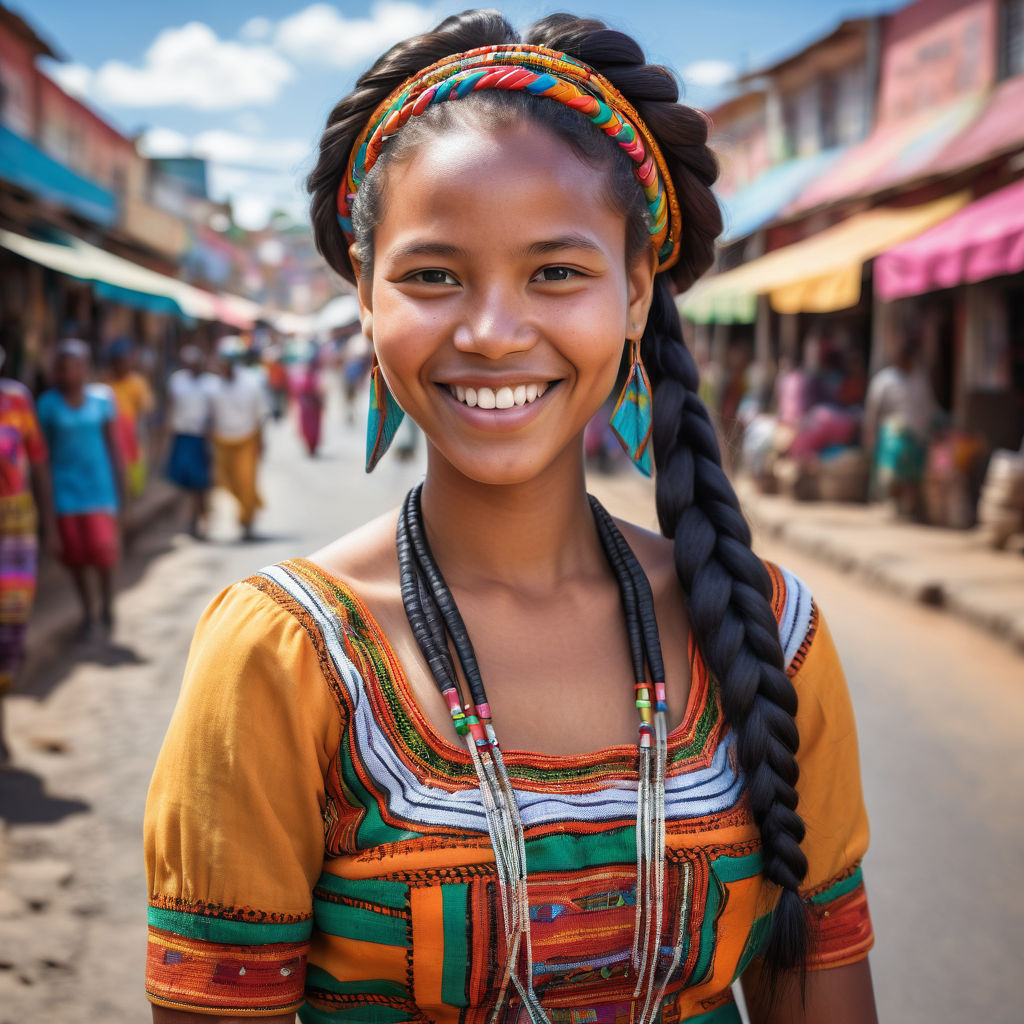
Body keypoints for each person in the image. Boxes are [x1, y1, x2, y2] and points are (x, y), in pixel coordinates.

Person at [145, 13, 877, 1024]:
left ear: (634, 295)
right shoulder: (283, 659)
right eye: (433, 275)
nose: (491, 333)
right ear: (363, 294)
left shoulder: (768, 636)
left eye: (557, 272)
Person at [37, 340, 123, 638]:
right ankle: (88, 612)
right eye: (62, 368)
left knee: (103, 553)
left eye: (73, 366)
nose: (67, 373)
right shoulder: (47, 405)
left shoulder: (102, 400)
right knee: (75, 557)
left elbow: (114, 448)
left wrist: (123, 496)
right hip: (64, 492)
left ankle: (108, 606)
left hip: (99, 490)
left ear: (85, 368)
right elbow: (41, 458)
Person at [0, 344, 52, 763]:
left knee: (9, 629)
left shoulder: (17, 399)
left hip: (15, 527)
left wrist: (50, 525)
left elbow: (38, 463)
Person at [863, 337, 937, 518]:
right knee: (894, 472)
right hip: (895, 433)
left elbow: (928, 406)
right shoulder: (884, 380)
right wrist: (869, 432)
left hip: (918, 434)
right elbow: (873, 409)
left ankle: (909, 506)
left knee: (914, 474)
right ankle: (895, 503)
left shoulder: (919, 378)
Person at [209, 336, 268, 540]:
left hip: (247, 440)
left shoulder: (252, 383)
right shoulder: (214, 385)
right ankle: (252, 504)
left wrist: (261, 442)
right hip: (222, 441)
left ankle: (247, 521)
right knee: (226, 482)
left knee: (246, 482)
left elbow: (260, 416)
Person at [164, 345, 215, 538]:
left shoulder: (211, 383)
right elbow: (171, 406)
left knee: (199, 484)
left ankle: (200, 520)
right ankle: (188, 521)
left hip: (200, 438)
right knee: (182, 482)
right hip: (181, 436)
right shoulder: (177, 381)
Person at [106, 337, 155, 500]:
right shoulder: (106, 381)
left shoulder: (138, 383)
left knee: (132, 472)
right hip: (112, 433)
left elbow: (145, 411)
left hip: (131, 434)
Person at [293, 349, 325, 456]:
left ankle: (312, 447)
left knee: (312, 428)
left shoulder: (315, 377)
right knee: (308, 428)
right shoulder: (305, 377)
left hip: (311, 406)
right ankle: (310, 447)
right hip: (307, 406)